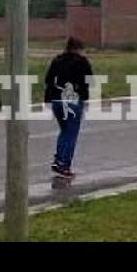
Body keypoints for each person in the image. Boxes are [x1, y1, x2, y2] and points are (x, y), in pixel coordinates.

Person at [44, 37, 93, 179]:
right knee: (71, 133)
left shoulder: (57, 60)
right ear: (78, 48)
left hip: (57, 101)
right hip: (73, 100)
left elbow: (48, 80)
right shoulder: (81, 62)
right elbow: (90, 81)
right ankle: (64, 164)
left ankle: (59, 158)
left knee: (64, 131)